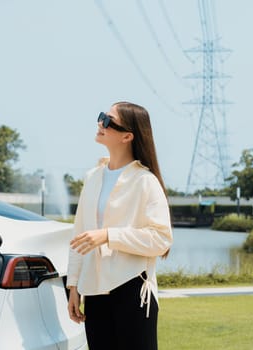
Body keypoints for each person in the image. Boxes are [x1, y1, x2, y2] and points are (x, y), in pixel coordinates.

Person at [66, 101, 173, 350]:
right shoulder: (93, 177)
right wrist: (73, 286)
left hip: (133, 288)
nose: (100, 123)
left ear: (127, 136)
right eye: (102, 116)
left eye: (108, 120)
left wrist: (108, 235)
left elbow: (161, 239)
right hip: (93, 291)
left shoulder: (145, 181)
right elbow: (78, 234)